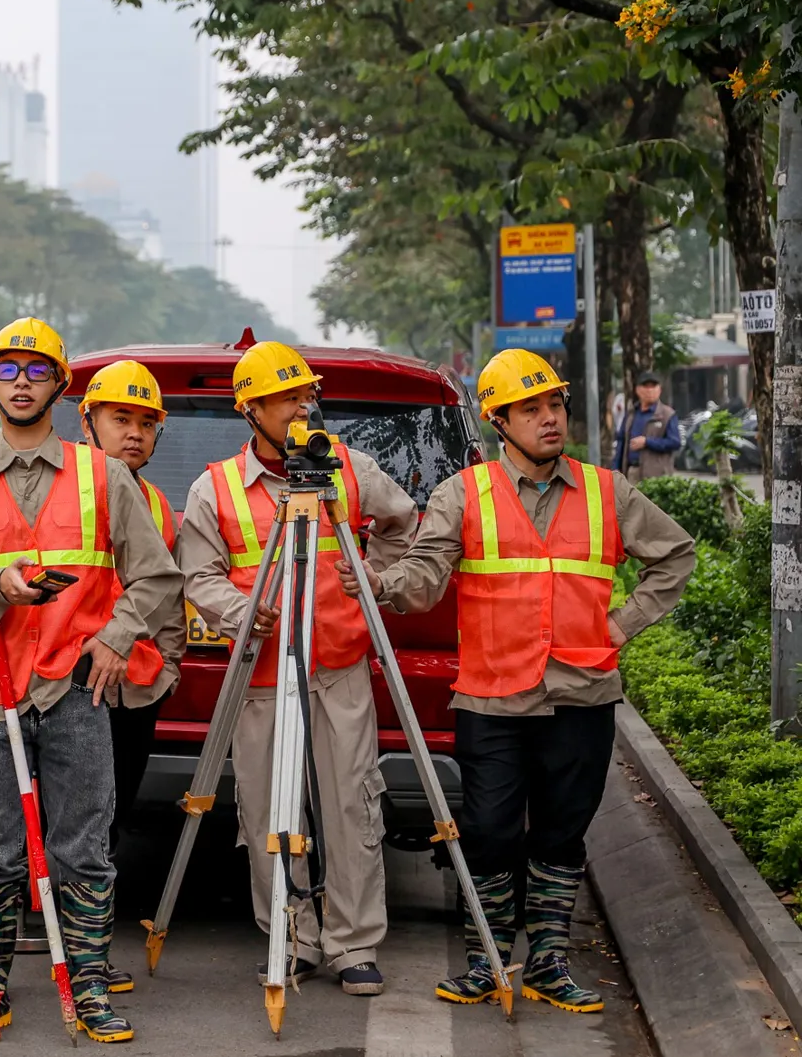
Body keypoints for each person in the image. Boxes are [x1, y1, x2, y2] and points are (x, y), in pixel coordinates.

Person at [362, 349, 693, 1013]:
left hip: (583, 692)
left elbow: (676, 554)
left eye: (554, 405)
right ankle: (487, 960)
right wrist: (378, 585)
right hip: (493, 695)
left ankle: (546, 962)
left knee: (563, 833)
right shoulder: (465, 493)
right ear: (498, 422)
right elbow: (424, 579)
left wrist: (620, 627)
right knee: (488, 830)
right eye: (531, 409)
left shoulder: (606, 491)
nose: (549, 419)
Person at [0, 318, 183, 1043]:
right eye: (8, 370)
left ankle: (91, 987)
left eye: (37, 371)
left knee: (84, 848)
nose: (22, 382)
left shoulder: (104, 476)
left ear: (61, 387)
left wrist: (113, 637)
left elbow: (157, 575)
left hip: (76, 688)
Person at [175, 340, 418, 998]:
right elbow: (198, 575)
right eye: (286, 398)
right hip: (261, 676)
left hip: (338, 666)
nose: (302, 407)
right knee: (269, 815)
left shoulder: (349, 466)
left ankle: (352, 943)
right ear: (250, 411)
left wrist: (374, 577)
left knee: (350, 806)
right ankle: (292, 936)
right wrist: (241, 613)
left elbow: (404, 524)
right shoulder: (215, 487)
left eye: (306, 394)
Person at [75, 359, 183, 994]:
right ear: (88, 422)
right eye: (121, 419)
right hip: (73, 685)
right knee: (75, 818)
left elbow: (167, 598)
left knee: (110, 820)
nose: (134, 434)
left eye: (146, 423)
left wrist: (164, 668)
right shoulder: (70, 490)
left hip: (135, 688)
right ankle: (61, 938)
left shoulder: (158, 503)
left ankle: (92, 947)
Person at [612, 371, 679, 480]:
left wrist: (647, 442)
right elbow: (621, 441)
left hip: (657, 477)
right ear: (638, 390)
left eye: (653, 386)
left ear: (660, 390)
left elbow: (675, 442)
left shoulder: (667, 414)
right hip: (631, 472)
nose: (650, 390)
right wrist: (615, 468)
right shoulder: (631, 414)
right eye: (646, 386)